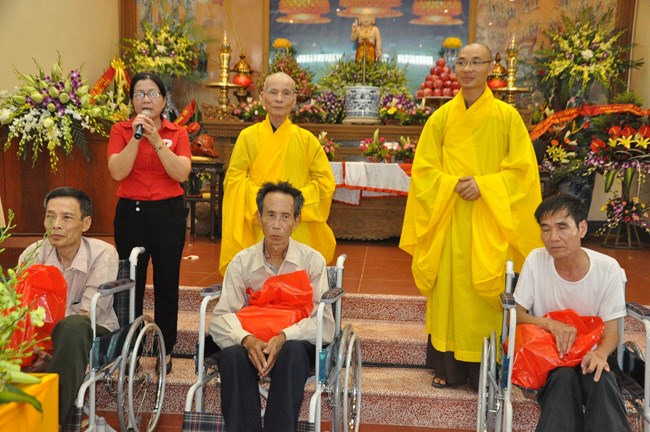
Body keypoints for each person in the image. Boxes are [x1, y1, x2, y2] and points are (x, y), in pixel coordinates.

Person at [399, 42, 542, 389]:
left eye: (476, 62)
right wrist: (452, 184)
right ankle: (447, 368)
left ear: (491, 68)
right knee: (449, 294)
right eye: (461, 62)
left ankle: (485, 369)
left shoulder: (507, 118)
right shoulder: (441, 118)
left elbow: (523, 172)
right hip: (449, 218)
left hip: (490, 219)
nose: (467, 69)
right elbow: (424, 170)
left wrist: (484, 185)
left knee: (486, 293)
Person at [209, 181, 335, 432]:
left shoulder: (312, 262)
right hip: (252, 342)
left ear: (297, 221)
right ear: (259, 218)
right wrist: (246, 340)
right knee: (232, 355)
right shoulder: (242, 263)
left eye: (285, 217)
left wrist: (284, 336)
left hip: (294, 345)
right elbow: (220, 317)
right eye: (270, 215)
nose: (277, 225)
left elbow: (325, 325)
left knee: (292, 351)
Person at [513, 194, 631, 432]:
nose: (553, 237)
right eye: (545, 229)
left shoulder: (607, 269)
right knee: (563, 380)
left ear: (582, 228)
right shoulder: (536, 261)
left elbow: (612, 331)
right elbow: (515, 314)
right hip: (553, 357)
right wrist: (551, 325)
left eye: (562, 227)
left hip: (594, 352)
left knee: (601, 376)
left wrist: (600, 354)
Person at [107, 72, 192, 373]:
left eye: (153, 93)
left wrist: (157, 141)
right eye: (139, 94)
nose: (146, 99)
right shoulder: (120, 130)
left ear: (164, 100)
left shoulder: (177, 133)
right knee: (131, 284)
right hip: (132, 215)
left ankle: (165, 349)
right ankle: (129, 350)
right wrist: (136, 137)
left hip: (168, 214)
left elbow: (181, 173)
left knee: (167, 283)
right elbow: (118, 171)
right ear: (131, 101)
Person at [18, 187, 119, 427]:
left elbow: (89, 313)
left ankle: (52, 422)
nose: (56, 225)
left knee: (74, 326)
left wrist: (54, 352)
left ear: (86, 223)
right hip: (40, 337)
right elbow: (21, 309)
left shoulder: (103, 254)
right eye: (50, 216)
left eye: (66, 217)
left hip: (92, 331)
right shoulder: (33, 253)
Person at [219, 71, 336, 275]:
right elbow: (233, 181)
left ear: (294, 100)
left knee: (296, 281)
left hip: (296, 224)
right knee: (258, 281)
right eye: (273, 92)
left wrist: (293, 201)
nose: (279, 99)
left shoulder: (307, 140)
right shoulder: (247, 137)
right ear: (263, 97)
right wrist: (264, 202)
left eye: (286, 93)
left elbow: (325, 183)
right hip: (261, 221)